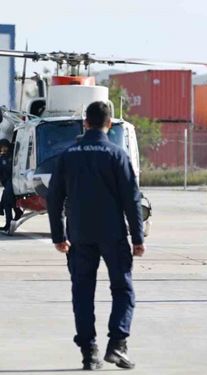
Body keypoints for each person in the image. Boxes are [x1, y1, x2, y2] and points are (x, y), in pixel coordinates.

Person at [47, 101, 145, 371]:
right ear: (109, 124)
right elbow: (131, 198)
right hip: (113, 233)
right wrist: (138, 237)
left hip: (79, 235)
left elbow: (54, 198)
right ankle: (117, 344)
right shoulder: (117, 154)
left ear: (85, 123)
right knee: (122, 288)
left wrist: (58, 235)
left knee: (82, 292)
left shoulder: (67, 156)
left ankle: (89, 353)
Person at [0, 139, 23, 232]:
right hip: (6, 183)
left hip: (14, 182)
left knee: (5, 201)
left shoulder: (13, 157)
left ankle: (8, 223)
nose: (3, 148)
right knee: (8, 203)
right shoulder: (1, 158)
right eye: (2, 147)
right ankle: (17, 212)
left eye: (5, 146)